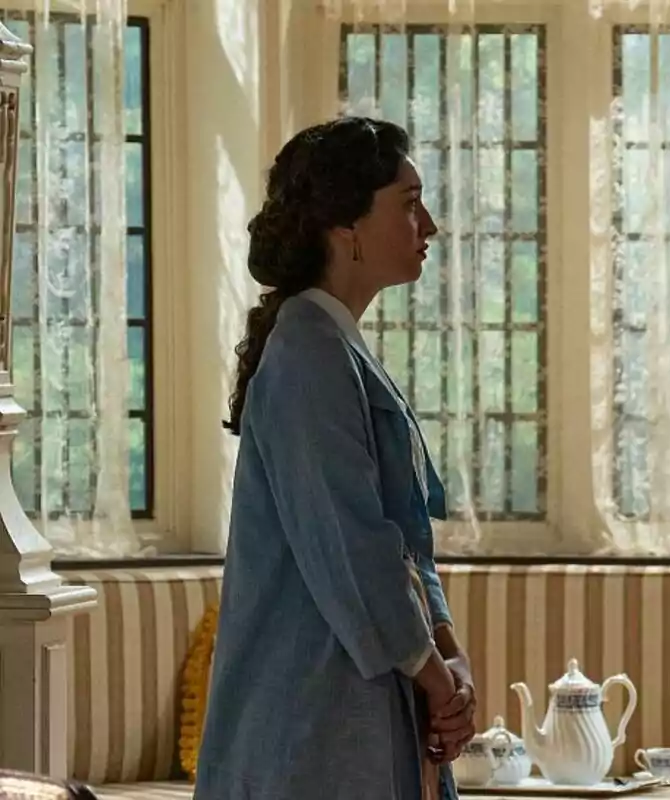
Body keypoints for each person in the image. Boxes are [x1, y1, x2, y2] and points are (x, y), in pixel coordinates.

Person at [195, 117, 475, 800]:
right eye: (408, 204)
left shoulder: (336, 348)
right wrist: (437, 678)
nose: (429, 224)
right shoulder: (307, 353)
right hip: (310, 725)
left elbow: (407, 544)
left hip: (356, 710)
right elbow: (351, 543)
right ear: (344, 227)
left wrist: (446, 651)